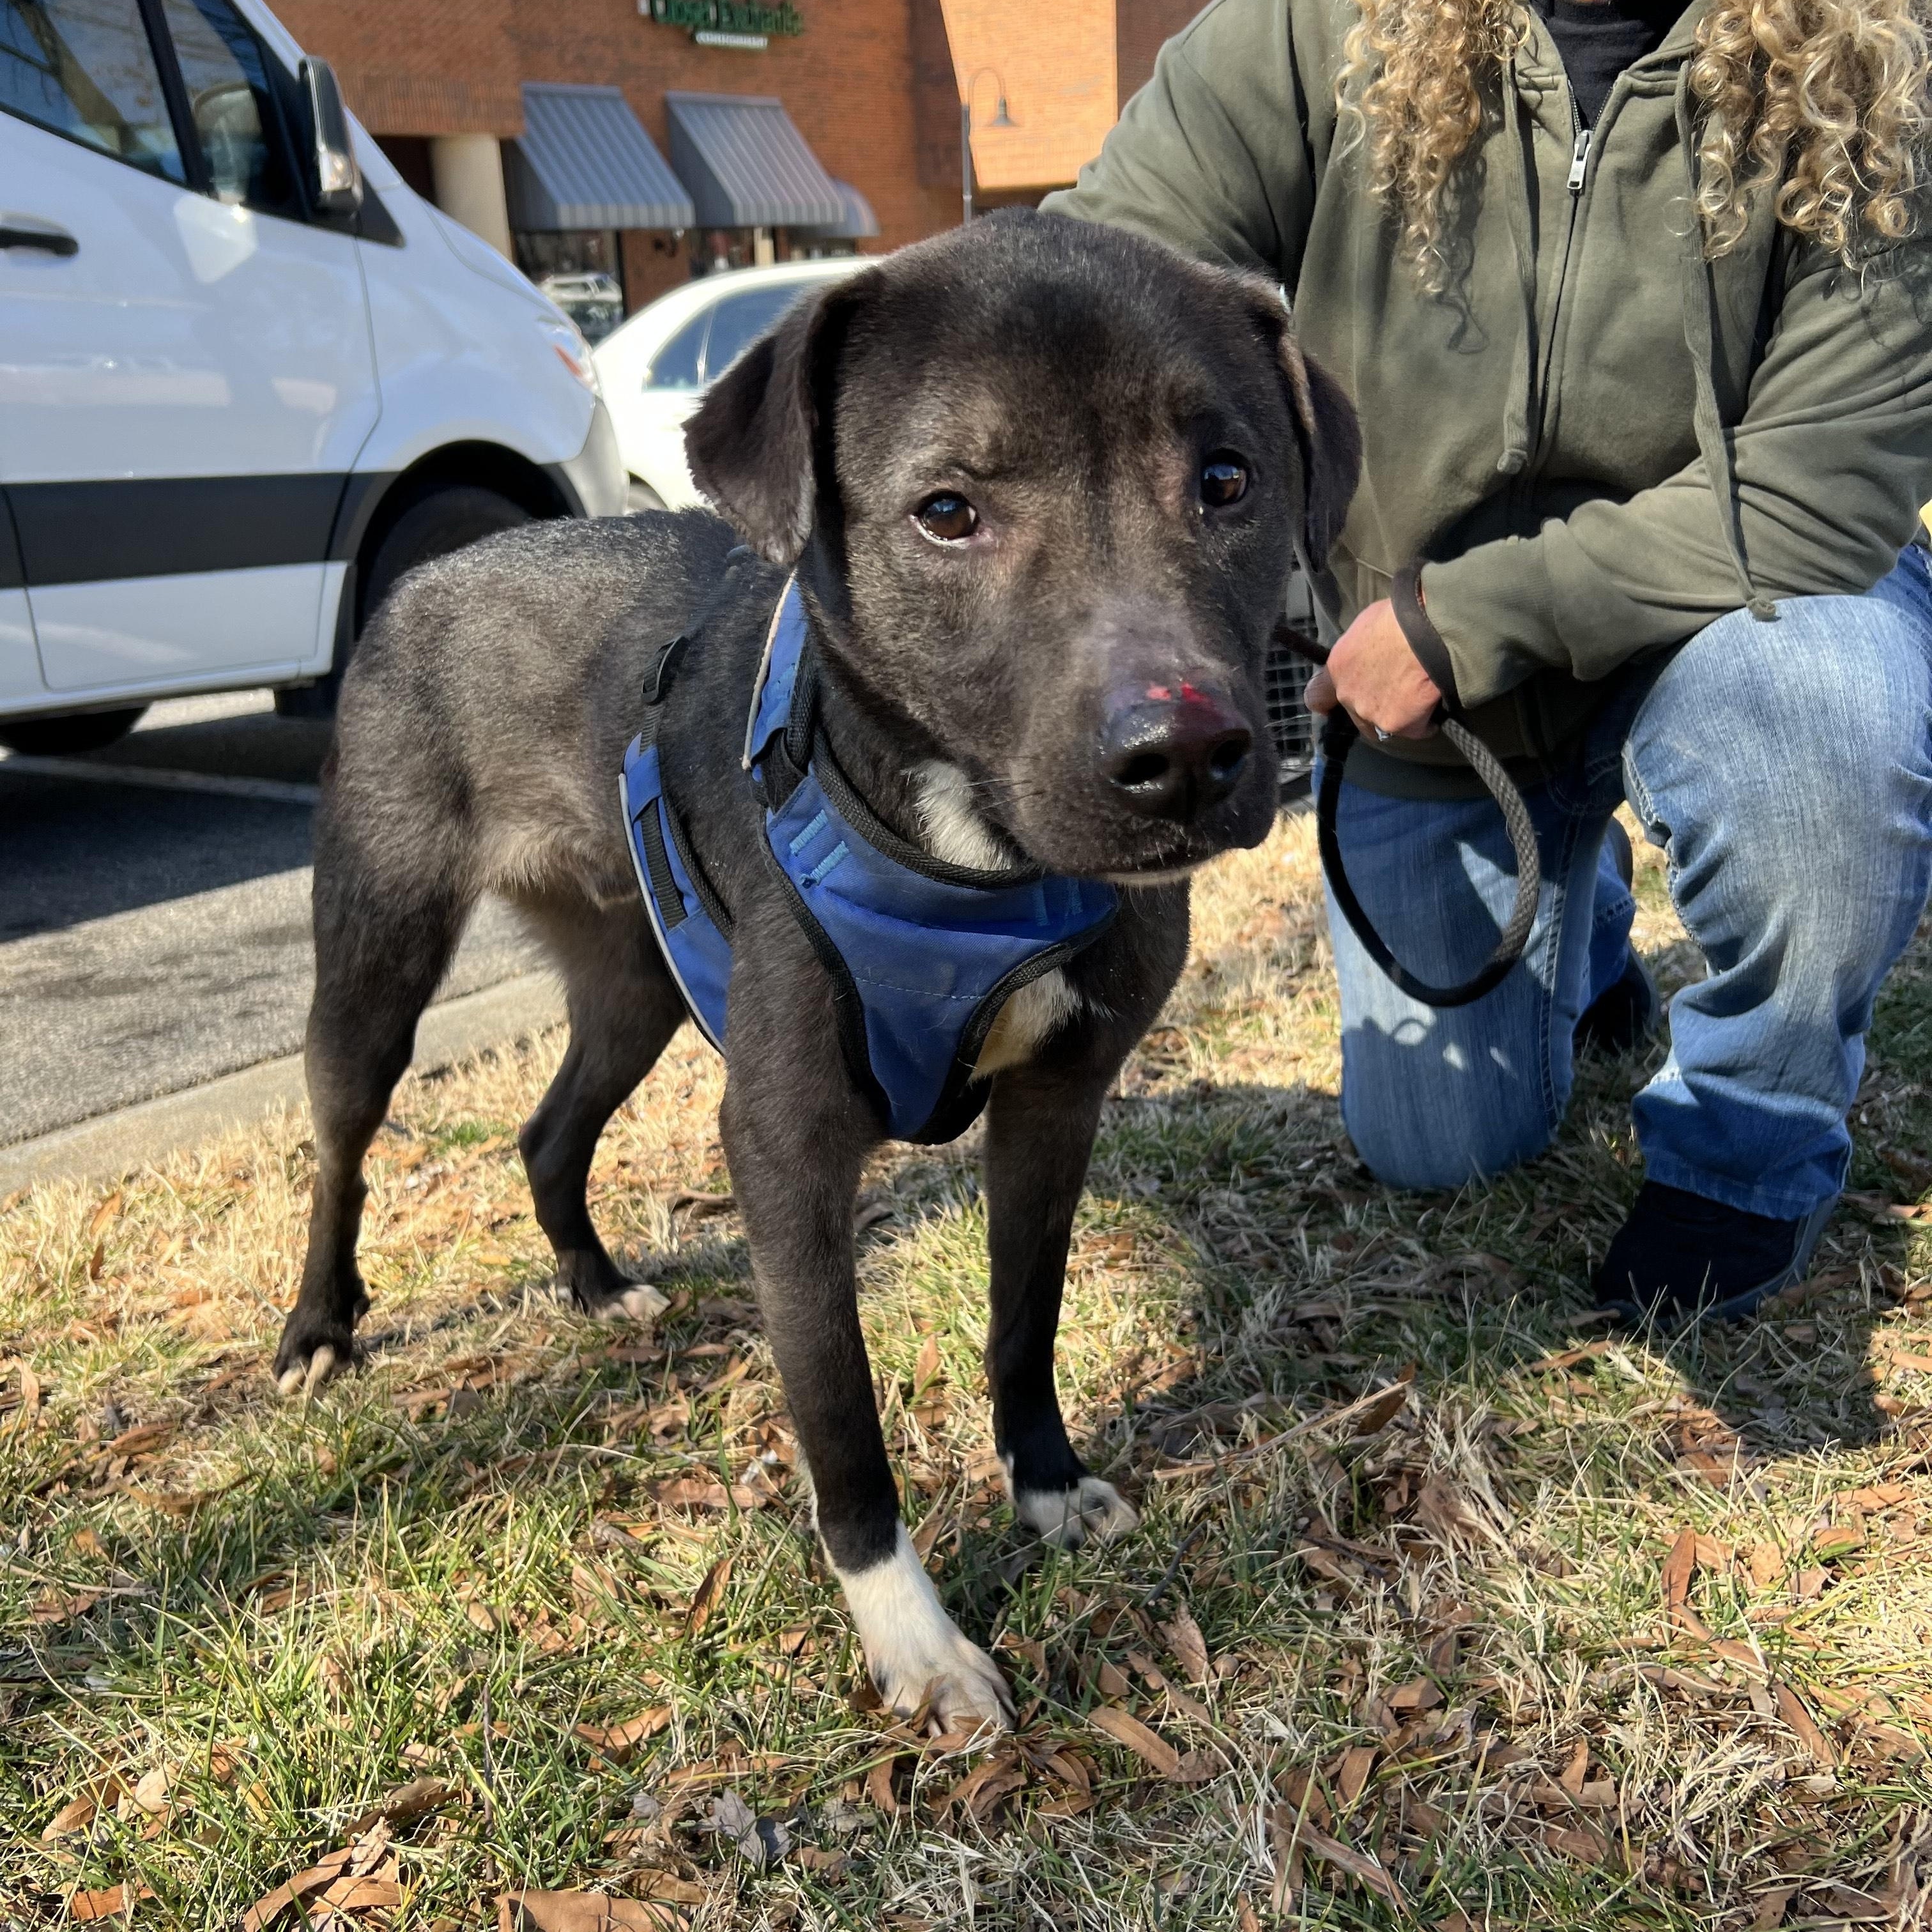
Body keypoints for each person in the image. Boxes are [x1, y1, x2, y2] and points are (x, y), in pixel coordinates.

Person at [1044, 0, 1932, 1324]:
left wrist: (1466, 620)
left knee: (1826, 721)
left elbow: (1823, 491)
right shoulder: (1314, 28)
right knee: (1438, 1147)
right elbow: (1074, 289)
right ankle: (1589, 939)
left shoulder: (1874, 68)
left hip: (1740, 610)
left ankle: (1749, 1152)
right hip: (1442, 705)